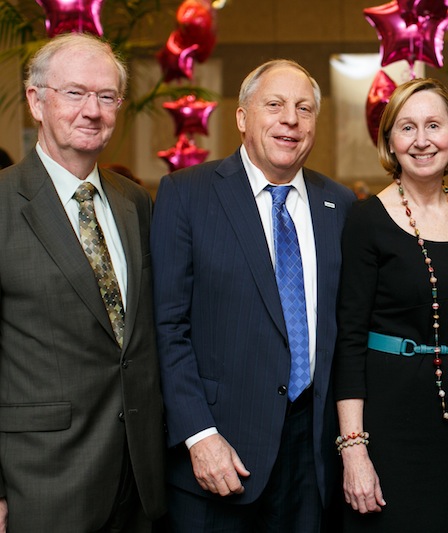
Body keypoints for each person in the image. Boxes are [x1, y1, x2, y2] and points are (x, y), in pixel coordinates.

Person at [151, 59, 356, 532]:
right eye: (275, 105)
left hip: (313, 457)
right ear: (242, 118)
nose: (291, 120)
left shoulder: (339, 204)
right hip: (220, 451)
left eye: (304, 108)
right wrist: (199, 436)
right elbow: (168, 328)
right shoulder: (186, 195)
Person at [0, 32, 166, 531]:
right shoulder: (3, 203)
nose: (92, 110)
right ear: (36, 100)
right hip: (42, 479)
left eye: (107, 96)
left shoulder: (134, 202)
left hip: (138, 480)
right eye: (74, 93)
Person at [334, 77, 448, 533]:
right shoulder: (365, 219)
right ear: (390, 141)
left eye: (434, 125)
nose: (422, 140)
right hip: (390, 429)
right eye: (407, 127)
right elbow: (349, 340)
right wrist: (354, 448)